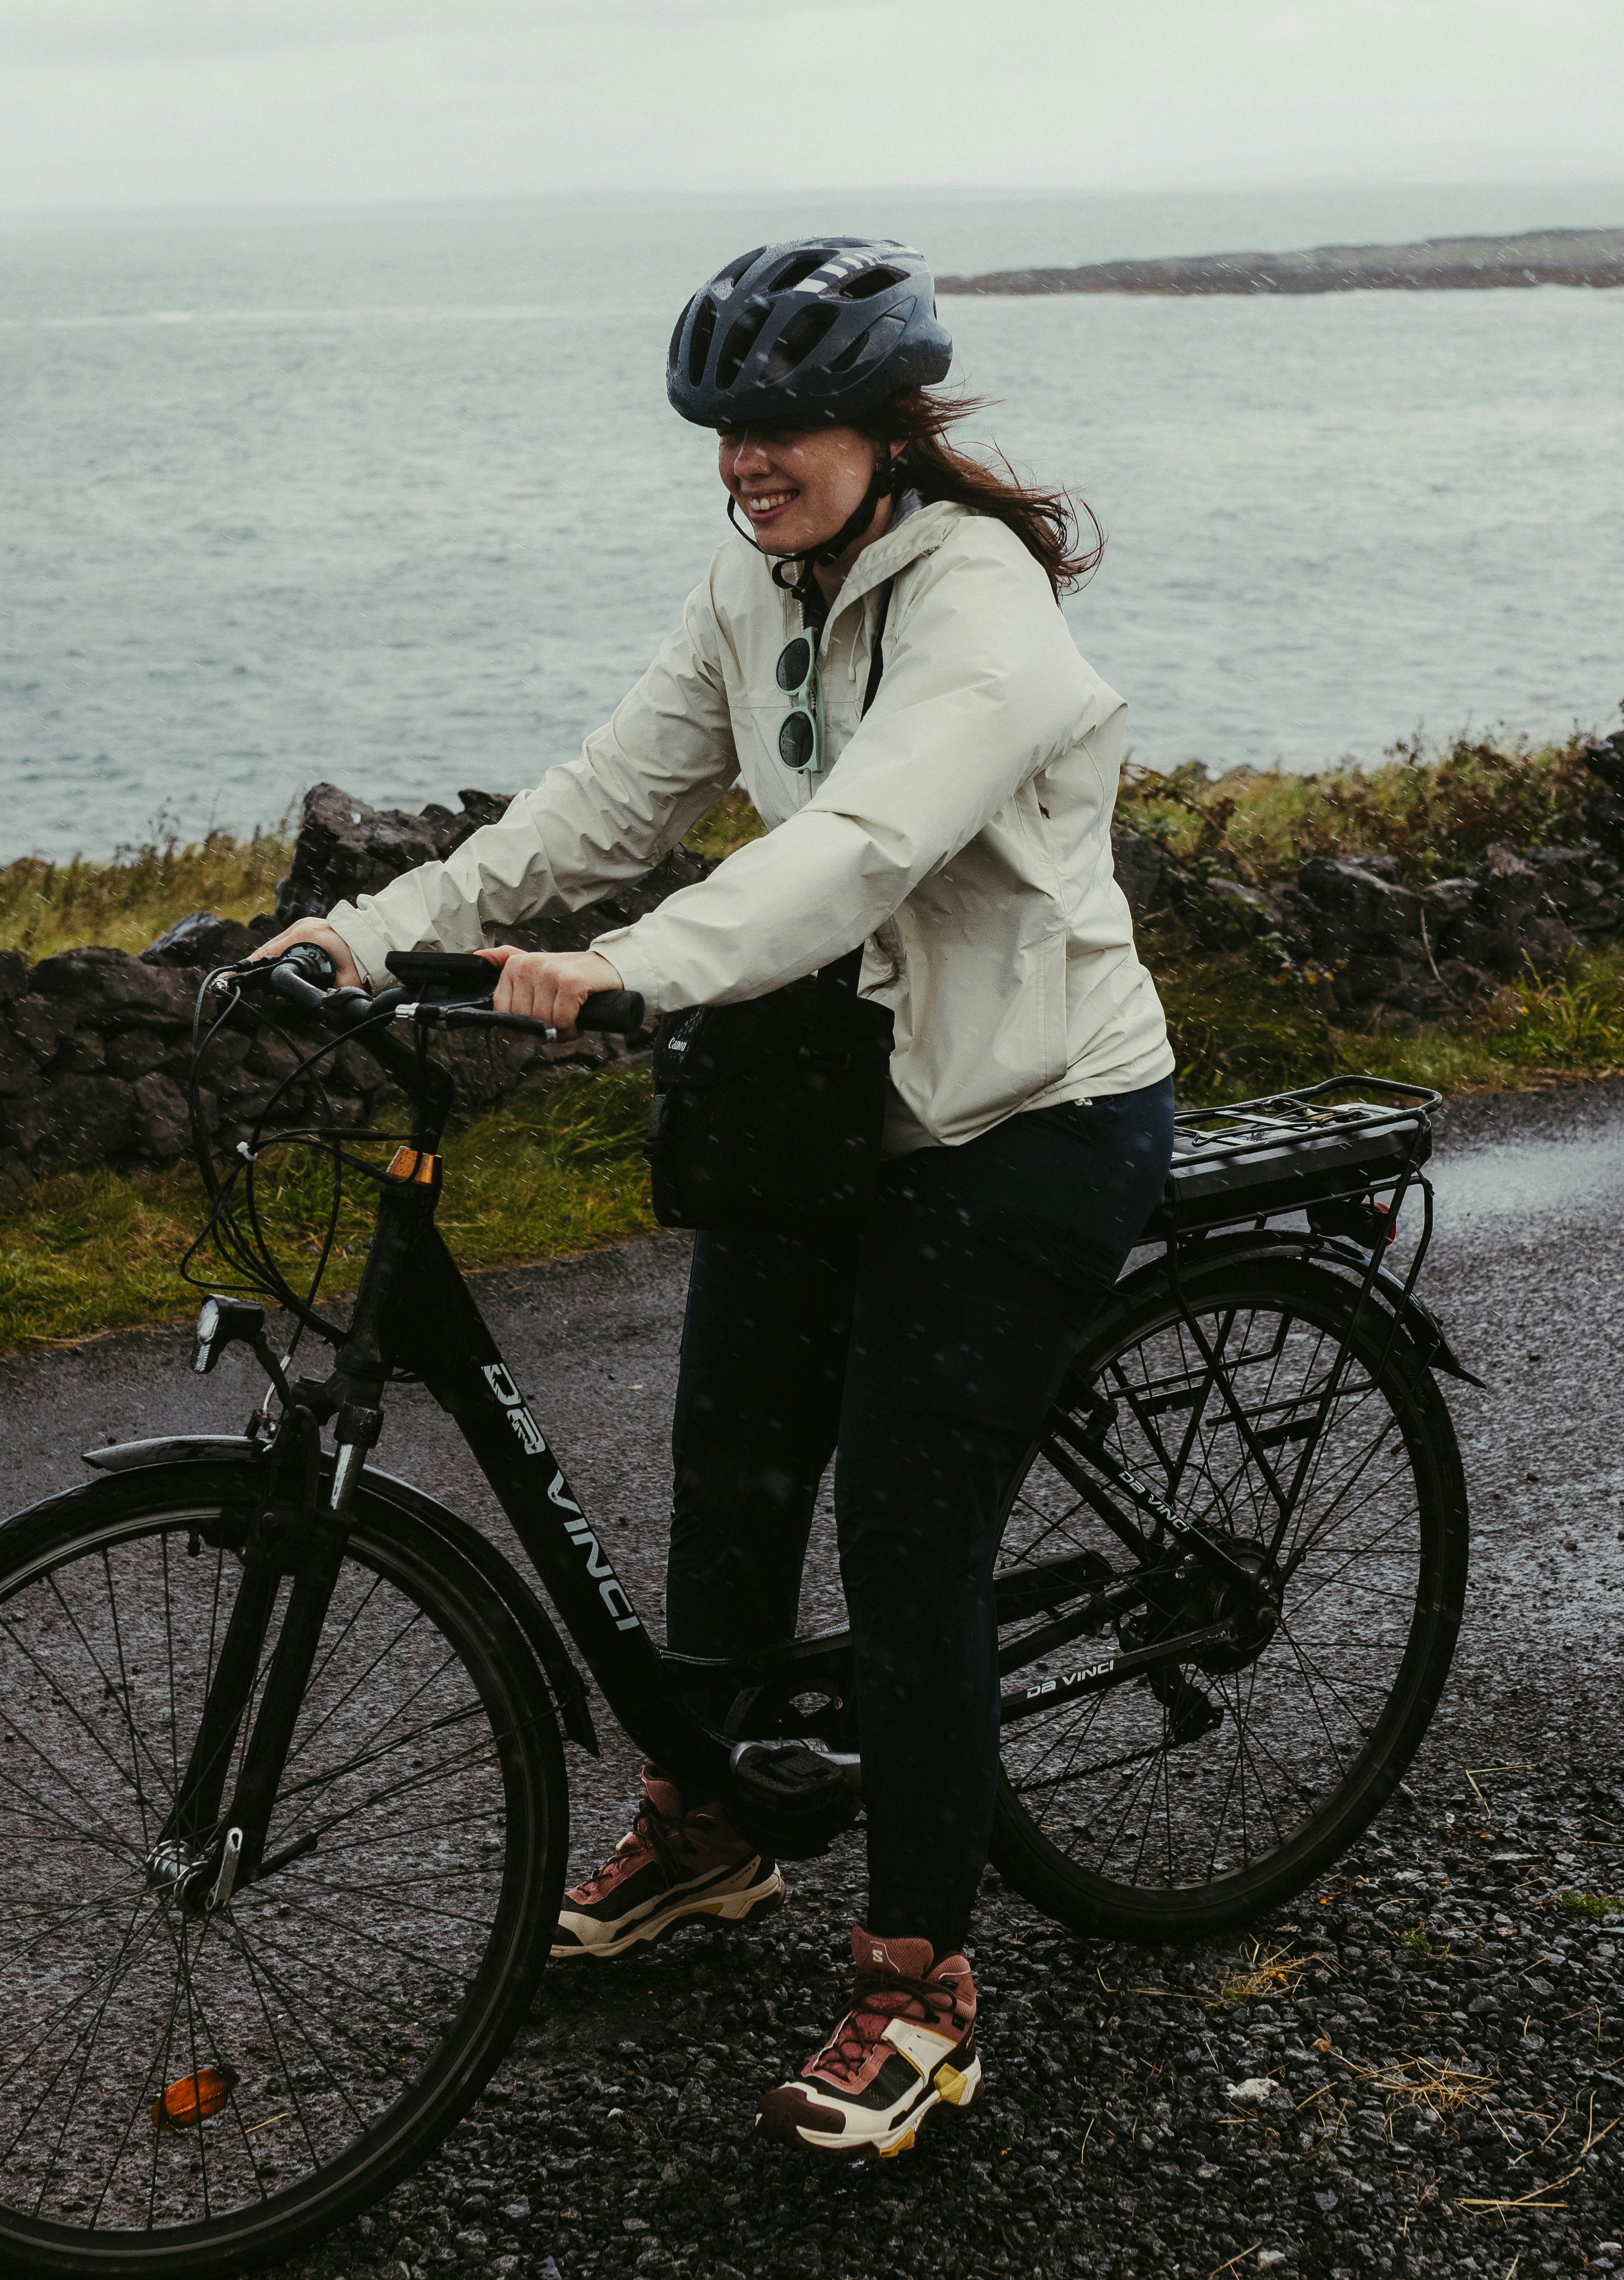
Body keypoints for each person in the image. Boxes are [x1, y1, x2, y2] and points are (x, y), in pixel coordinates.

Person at [262, 235, 1177, 2160]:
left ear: (877, 424)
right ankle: (707, 1828)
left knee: (903, 1534)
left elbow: (856, 849)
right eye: (724, 432)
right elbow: (603, 805)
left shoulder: (978, 608)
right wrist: (369, 932)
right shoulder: (754, 584)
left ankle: (921, 1983)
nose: (746, 460)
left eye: (780, 428)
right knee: (726, 1472)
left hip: (1024, 1113)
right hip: (828, 1100)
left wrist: (634, 970)